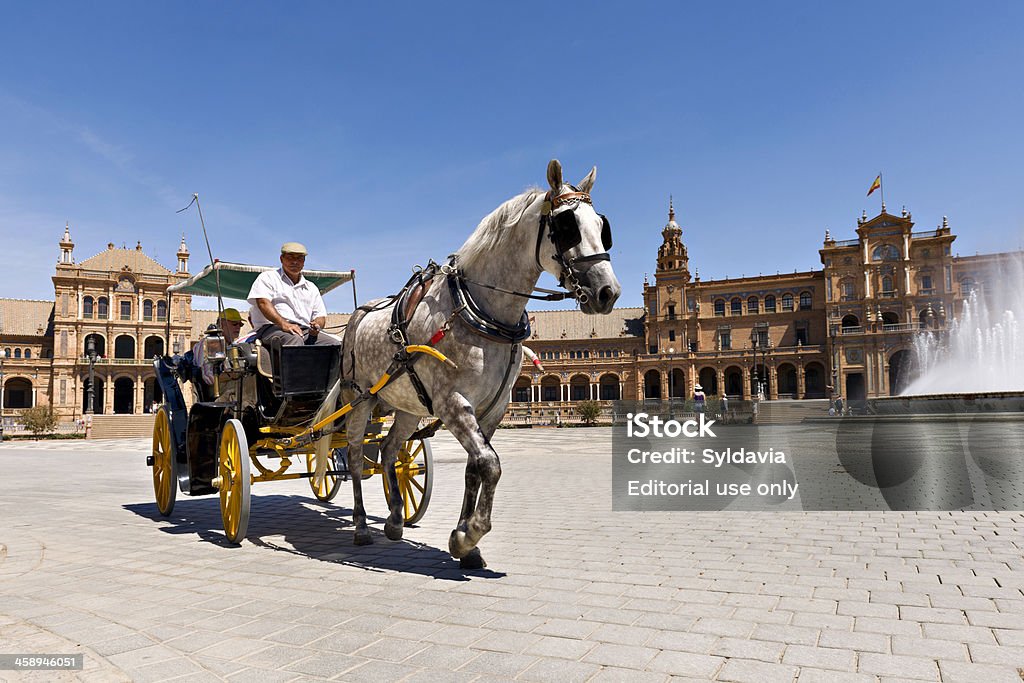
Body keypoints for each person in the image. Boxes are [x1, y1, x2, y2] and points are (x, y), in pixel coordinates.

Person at [247, 242, 338, 348]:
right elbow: (263, 303)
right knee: (294, 339)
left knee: (334, 344)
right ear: (281, 259)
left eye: (299, 258)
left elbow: (320, 316)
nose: (295, 262)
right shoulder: (268, 278)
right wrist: (284, 324)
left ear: (304, 261)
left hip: (303, 330)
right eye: (290, 257)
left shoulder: (311, 287)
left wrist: (316, 326)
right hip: (272, 328)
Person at [193, 307, 245, 385]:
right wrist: (233, 375)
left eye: (240, 324)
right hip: (216, 393)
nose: (238, 327)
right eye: (234, 324)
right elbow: (209, 378)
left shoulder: (233, 345)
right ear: (221, 324)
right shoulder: (209, 343)